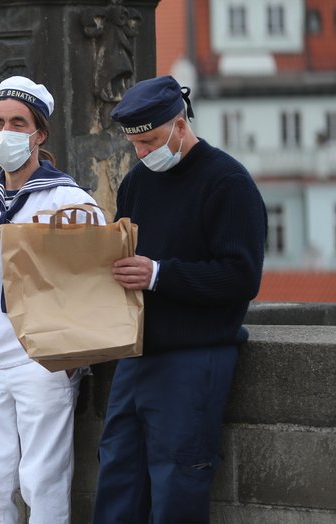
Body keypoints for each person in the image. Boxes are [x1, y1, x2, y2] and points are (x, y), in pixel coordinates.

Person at [93, 75, 267, 523]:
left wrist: (159, 275)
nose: (143, 154)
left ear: (179, 124)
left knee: (178, 482)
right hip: (136, 353)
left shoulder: (228, 182)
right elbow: (123, 256)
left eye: (150, 141)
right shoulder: (136, 183)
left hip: (195, 356)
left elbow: (241, 276)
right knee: (117, 474)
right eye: (135, 145)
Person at [0, 75, 102, 524]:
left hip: (40, 359)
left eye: (17, 122)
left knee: (43, 477)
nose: (5, 132)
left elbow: (91, 283)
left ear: (39, 132)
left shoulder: (70, 201)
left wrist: (72, 357)